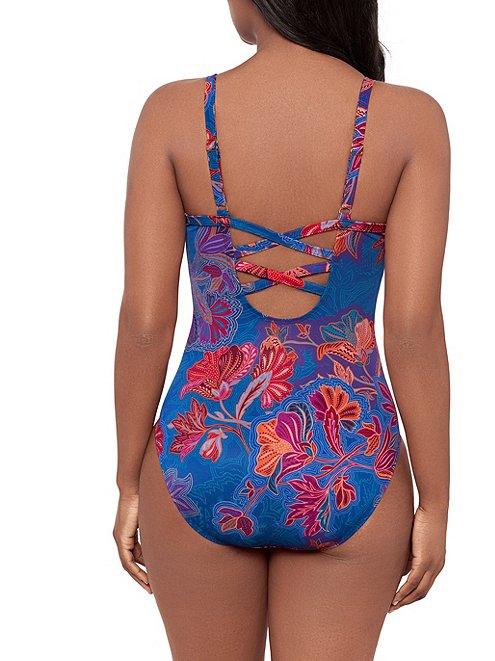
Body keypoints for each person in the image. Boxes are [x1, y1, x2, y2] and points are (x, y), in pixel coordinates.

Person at [113, 0, 450, 658]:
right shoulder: (410, 120)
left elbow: (146, 323)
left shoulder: (174, 113)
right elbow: (414, 330)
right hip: (350, 458)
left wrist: (128, 480)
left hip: (199, 454)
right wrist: (435, 501)